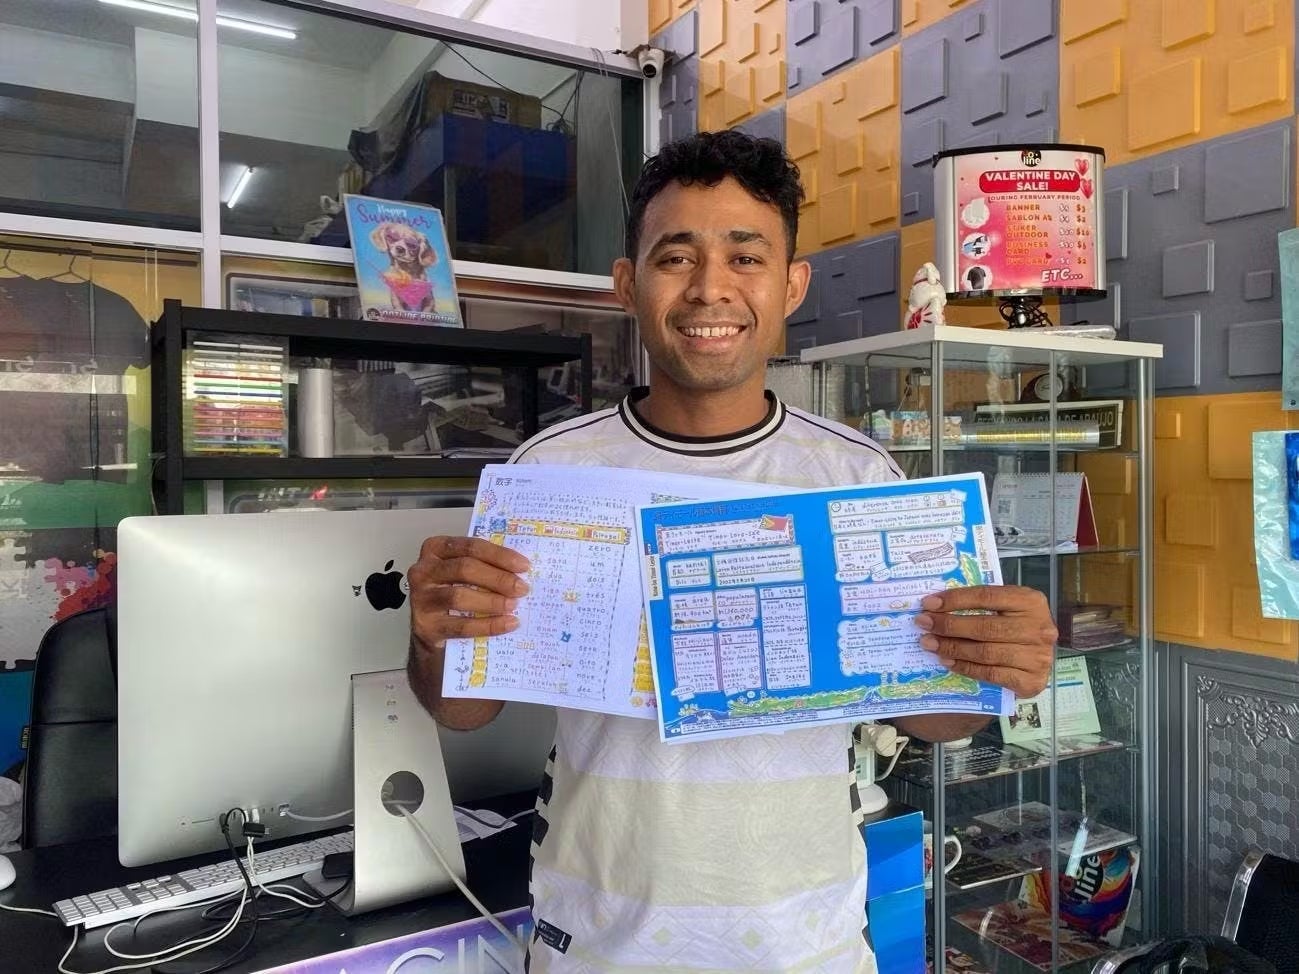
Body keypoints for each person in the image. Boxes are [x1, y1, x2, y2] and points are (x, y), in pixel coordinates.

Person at [407, 130, 1056, 973]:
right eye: (675, 257)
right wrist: (433, 639)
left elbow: (937, 716)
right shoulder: (548, 474)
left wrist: (990, 663)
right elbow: (462, 710)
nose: (710, 287)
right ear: (627, 284)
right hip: (597, 942)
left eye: (745, 258)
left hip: (806, 945)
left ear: (790, 286)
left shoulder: (856, 476)